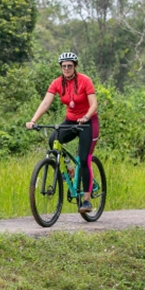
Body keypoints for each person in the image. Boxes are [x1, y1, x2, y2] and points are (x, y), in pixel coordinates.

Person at [26, 52, 99, 213]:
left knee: (85, 158)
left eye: (70, 66)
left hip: (88, 122)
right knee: (54, 141)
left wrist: (86, 117)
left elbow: (94, 104)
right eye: (64, 66)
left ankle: (86, 201)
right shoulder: (57, 83)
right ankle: (70, 171)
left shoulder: (85, 81)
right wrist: (33, 120)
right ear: (61, 67)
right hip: (71, 121)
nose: (66, 68)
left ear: (75, 67)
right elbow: (46, 102)